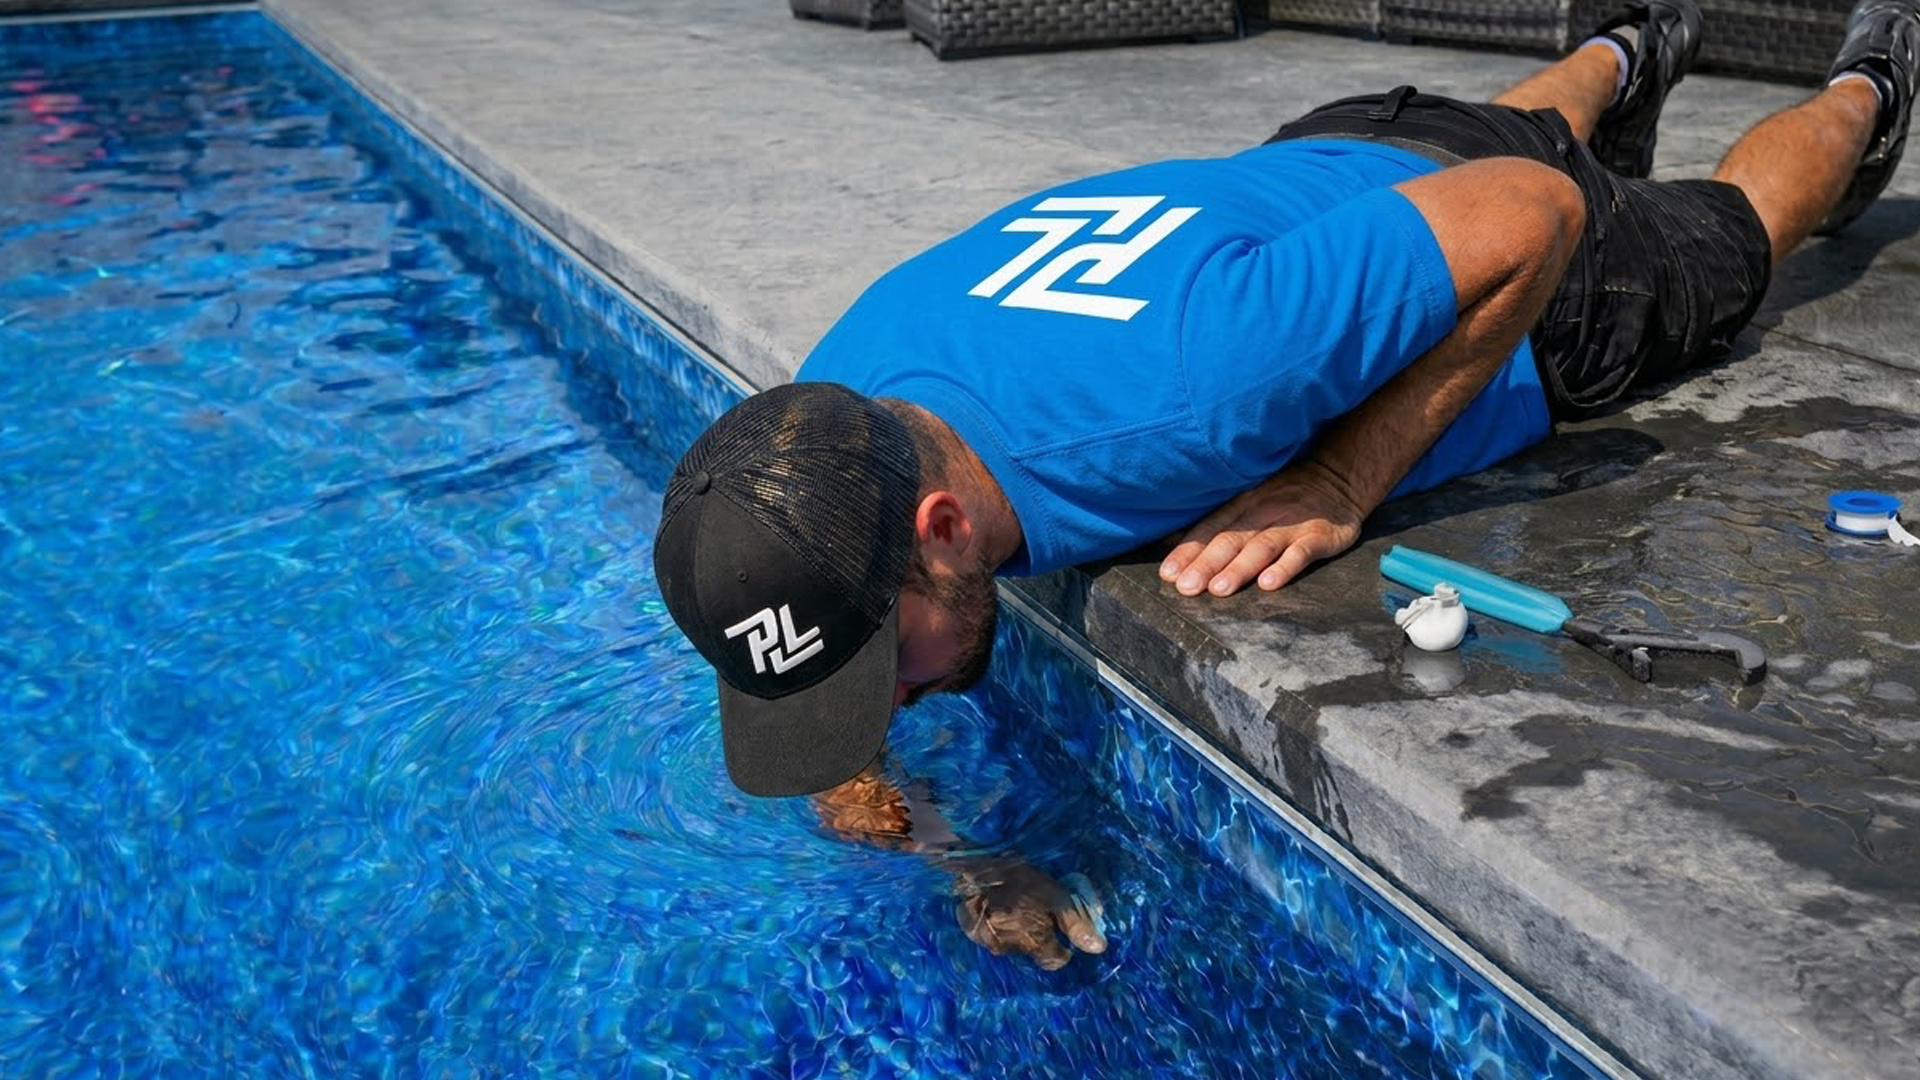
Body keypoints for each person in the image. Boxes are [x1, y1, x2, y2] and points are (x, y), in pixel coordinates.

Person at [652, 0, 1919, 969]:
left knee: (1734, 230)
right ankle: (1632, 46)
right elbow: (827, 647)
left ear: (941, 527)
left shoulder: (1194, 390)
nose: (896, 699)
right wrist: (965, 863)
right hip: (1328, 166)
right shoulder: (826, 426)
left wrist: (1338, 474)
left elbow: (1528, 213)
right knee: (1511, 127)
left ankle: (1874, 71)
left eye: (889, 670)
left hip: (1532, 280)